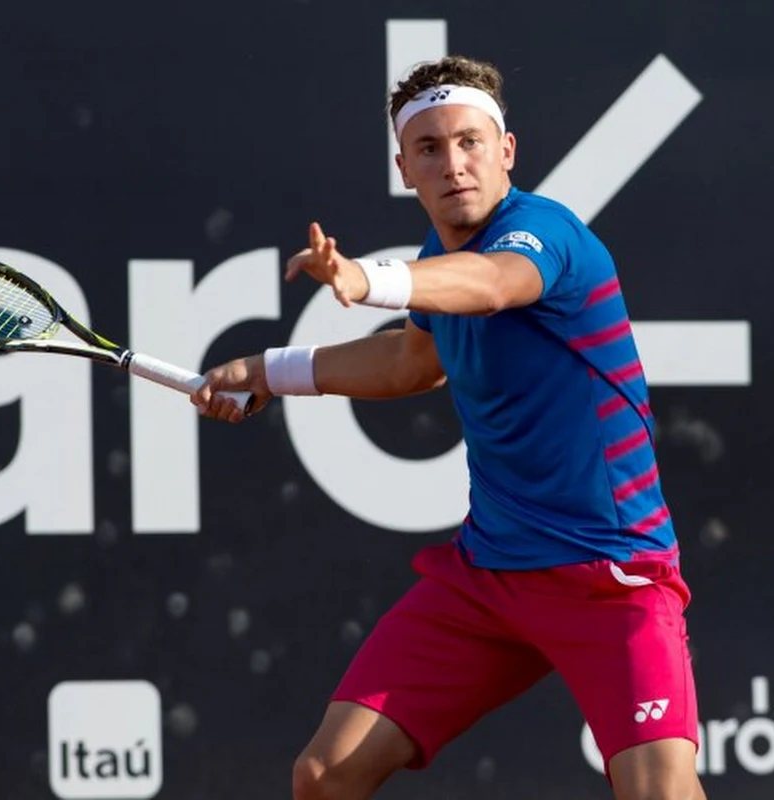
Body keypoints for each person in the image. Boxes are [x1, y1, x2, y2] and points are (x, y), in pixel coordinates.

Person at [191, 55, 706, 800]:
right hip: (490, 576)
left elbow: (494, 287)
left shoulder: (545, 234)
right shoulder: (440, 258)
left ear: (507, 151)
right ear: (405, 166)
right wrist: (269, 371)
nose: (453, 163)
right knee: (325, 775)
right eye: (430, 148)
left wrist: (366, 279)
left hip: (611, 578)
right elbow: (412, 360)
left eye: (470, 141)